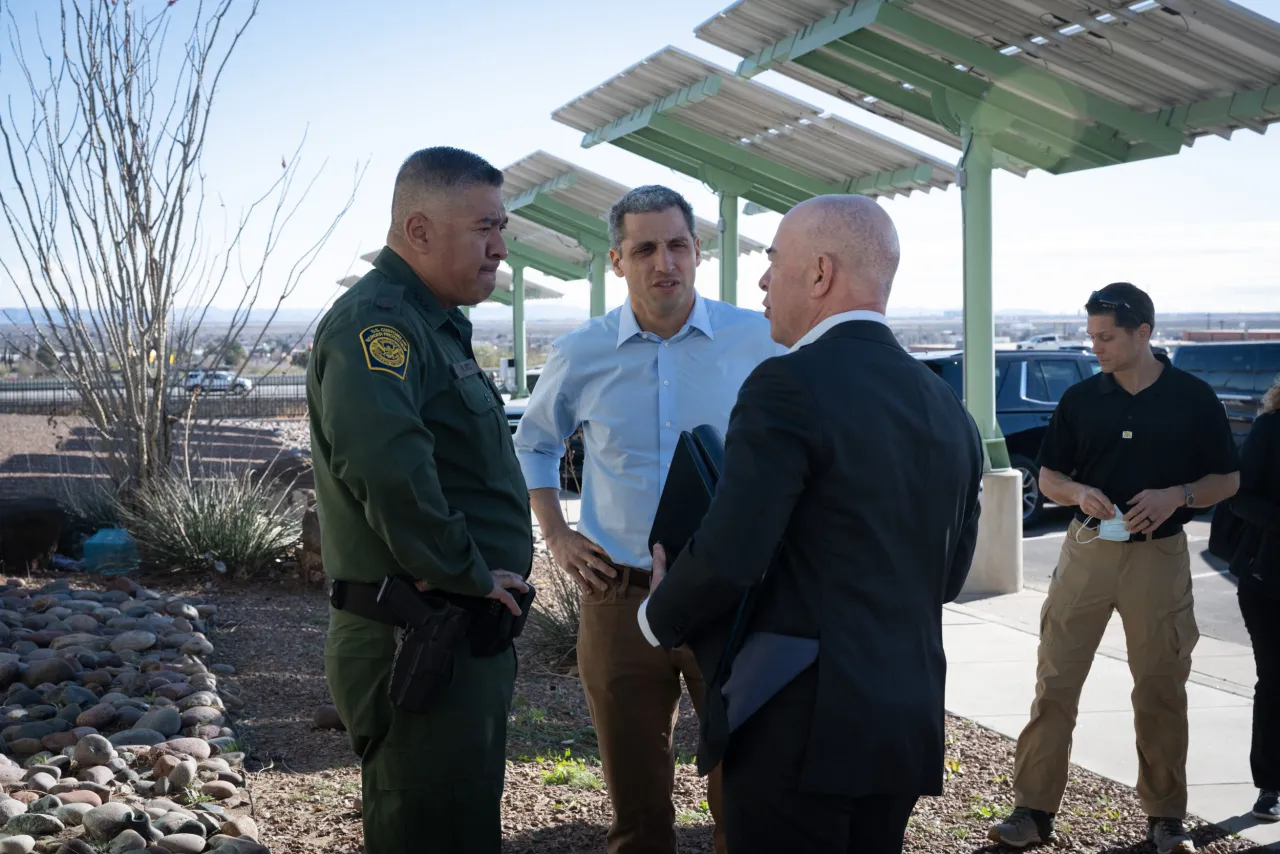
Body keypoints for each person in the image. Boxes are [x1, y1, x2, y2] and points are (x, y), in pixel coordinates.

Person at [638, 194, 985, 854]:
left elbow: (733, 554)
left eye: (773, 263)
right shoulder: (947, 407)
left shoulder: (786, 386)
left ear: (820, 274)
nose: (764, 282)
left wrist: (658, 614)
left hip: (800, 725)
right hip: (904, 719)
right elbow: (949, 574)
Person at [513, 185, 782, 854]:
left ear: (698, 252)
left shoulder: (759, 341)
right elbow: (535, 443)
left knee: (745, 792)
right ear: (617, 261)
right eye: (645, 249)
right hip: (618, 596)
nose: (665, 262)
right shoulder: (583, 352)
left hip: (730, 600)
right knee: (635, 806)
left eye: (678, 245)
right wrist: (557, 533)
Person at [307, 146, 533, 854]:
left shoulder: (430, 322)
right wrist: (463, 571)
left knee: (457, 826)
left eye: (502, 228)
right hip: (418, 633)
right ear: (419, 230)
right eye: (484, 228)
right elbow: (386, 469)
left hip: (455, 633)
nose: (500, 247)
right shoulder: (379, 326)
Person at [988, 282, 1241, 854]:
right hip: (1088, 550)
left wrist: (1177, 494)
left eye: (1106, 337)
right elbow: (1049, 477)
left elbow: (1227, 479)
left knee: (1160, 686)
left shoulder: (1194, 398)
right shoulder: (1082, 401)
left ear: (1142, 333)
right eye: (1091, 336)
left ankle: (1165, 818)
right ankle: (1031, 811)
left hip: (1160, 557)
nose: (1094, 346)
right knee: (1055, 681)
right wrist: (1077, 492)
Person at [1227, 374, 1280, 822]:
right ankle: (1270, 786)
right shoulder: (1271, 427)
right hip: (1270, 581)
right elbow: (1239, 498)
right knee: (1276, 682)